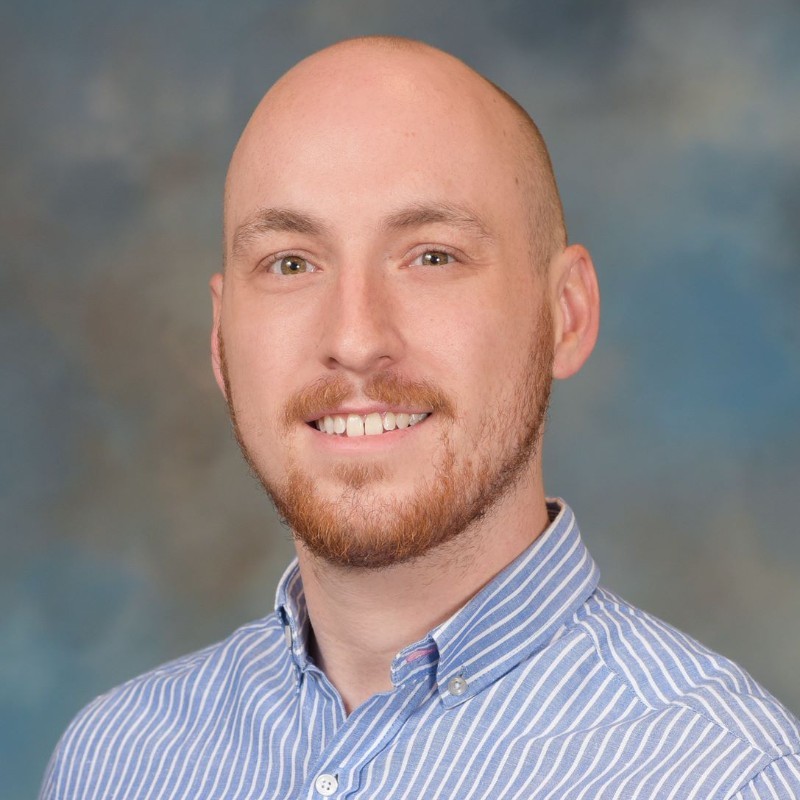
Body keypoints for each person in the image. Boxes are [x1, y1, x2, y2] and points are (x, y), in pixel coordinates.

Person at [41, 36, 800, 800]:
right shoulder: (112, 762)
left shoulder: (726, 778)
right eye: (291, 263)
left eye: (432, 256)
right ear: (220, 339)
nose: (355, 339)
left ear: (566, 315)